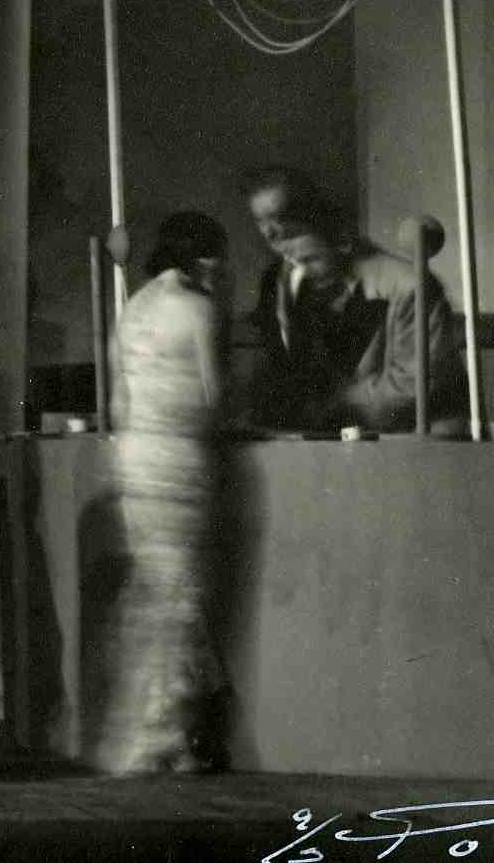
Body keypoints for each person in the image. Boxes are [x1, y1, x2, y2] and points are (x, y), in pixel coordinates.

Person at [98, 210, 232, 775]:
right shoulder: (198, 308)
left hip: (136, 458)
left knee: (156, 588)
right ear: (204, 258)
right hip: (181, 458)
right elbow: (214, 396)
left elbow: (118, 402)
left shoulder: (133, 307)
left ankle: (162, 733)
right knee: (179, 596)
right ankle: (159, 736)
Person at [239, 167, 467, 434]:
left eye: (310, 259)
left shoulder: (410, 287)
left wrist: (329, 406)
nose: (301, 271)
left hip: (419, 435)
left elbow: (414, 385)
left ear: (342, 243)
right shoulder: (296, 284)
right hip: (347, 434)